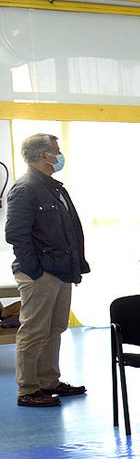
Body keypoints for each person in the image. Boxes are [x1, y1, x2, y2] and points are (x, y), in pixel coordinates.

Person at [5, 133, 88, 408]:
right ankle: (28, 389)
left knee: (55, 328)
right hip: (41, 274)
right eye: (57, 150)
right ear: (44, 156)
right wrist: (35, 271)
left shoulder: (54, 187)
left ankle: (48, 382)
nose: (60, 154)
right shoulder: (25, 188)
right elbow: (16, 235)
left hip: (61, 271)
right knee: (34, 331)